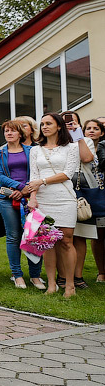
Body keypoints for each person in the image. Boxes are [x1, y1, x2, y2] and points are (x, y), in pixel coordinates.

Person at [26, 112, 92, 298]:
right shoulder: (35, 150)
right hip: (43, 199)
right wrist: (33, 197)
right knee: (47, 243)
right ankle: (52, 284)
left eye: (49, 123)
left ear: (59, 126)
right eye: (42, 124)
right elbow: (33, 177)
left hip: (64, 197)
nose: (44, 127)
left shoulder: (71, 148)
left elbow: (67, 173)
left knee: (66, 240)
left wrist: (42, 182)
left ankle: (70, 285)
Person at [0, 120, 44, 289]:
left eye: (12, 131)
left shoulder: (32, 151)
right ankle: (17, 275)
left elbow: (37, 171)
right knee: (13, 237)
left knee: (33, 236)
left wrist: (27, 190)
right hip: (8, 199)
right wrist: (20, 188)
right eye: (6, 131)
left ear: (20, 134)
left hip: (32, 198)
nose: (9, 133)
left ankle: (35, 276)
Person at [70, 119, 104, 289]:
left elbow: (86, 158)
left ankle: (78, 276)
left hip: (82, 191)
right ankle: (63, 276)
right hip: (59, 190)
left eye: (73, 122)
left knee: (81, 236)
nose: (69, 124)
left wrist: (78, 136)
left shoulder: (85, 141)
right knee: (63, 237)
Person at [82, 119, 105, 284]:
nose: (91, 131)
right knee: (97, 236)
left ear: (102, 132)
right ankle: (101, 272)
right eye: (88, 128)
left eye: (95, 128)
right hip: (90, 194)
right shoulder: (81, 148)